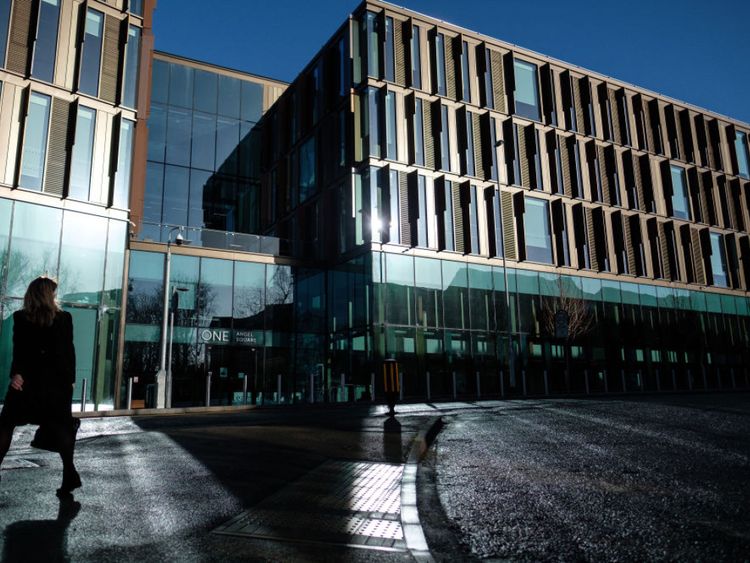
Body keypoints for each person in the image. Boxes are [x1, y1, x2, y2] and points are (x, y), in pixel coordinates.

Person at [0, 276, 81, 497]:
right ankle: (69, 474)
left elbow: (21, 350)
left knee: (6, 424)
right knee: (62, 427)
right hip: (56, 384)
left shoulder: (20, 318)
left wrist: (16, 374)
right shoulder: (64, 319)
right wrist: (70, 381)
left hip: (27, 382)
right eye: (53, 293)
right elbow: (68, 353)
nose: (55, 296)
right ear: (48, 295)